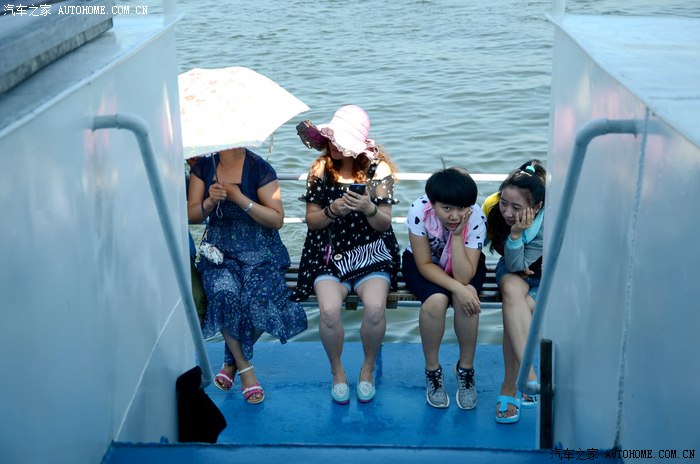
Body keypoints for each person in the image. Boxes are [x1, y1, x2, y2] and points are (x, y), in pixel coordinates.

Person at [292, 105, 401, 404]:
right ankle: (337, 371)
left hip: (371, 252)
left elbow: (383, 224)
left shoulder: (379, 170)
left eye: (339, 140)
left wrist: (368, 208)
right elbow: (313, 221)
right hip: (327, 253)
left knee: (375, 308)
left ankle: (367, 368)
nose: (333, 145)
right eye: (331, 138)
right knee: (328, 311)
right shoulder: (320, 169)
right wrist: (331, 210)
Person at [188, 147, 308, 404]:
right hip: (219, 252)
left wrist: (239, 198)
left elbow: (277, 219)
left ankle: (231, 363)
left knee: (259, 299)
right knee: (223, 293)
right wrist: (209, 202)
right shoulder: (204, 167)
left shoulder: (259, 168)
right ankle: (245, 369)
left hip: (261, 251)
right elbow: (192, 214)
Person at [401, 167, 487, 410]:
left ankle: (466, 370)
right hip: (425, 263)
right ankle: (432, 371)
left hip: (464, 262)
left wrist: (457, 236)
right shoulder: (419, 211)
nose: (454, 215)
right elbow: (424, 264)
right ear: (433, 203)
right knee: (436, 302)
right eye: (446, 208)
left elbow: (464, 275)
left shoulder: (476, 217)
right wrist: (459, 289)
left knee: (467, 302)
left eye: (461, 208)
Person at [483, 159, 546, 424]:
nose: (507, 212)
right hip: (514, 267)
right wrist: (516, 234)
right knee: (510, 288)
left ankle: (511, 386)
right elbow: (515, 266)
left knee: (516, 312)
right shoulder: (493, 208)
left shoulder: (552, 217)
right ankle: (528, 377)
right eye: (504, 203)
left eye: (516, 207)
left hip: (547, 275)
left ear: (537, 207)